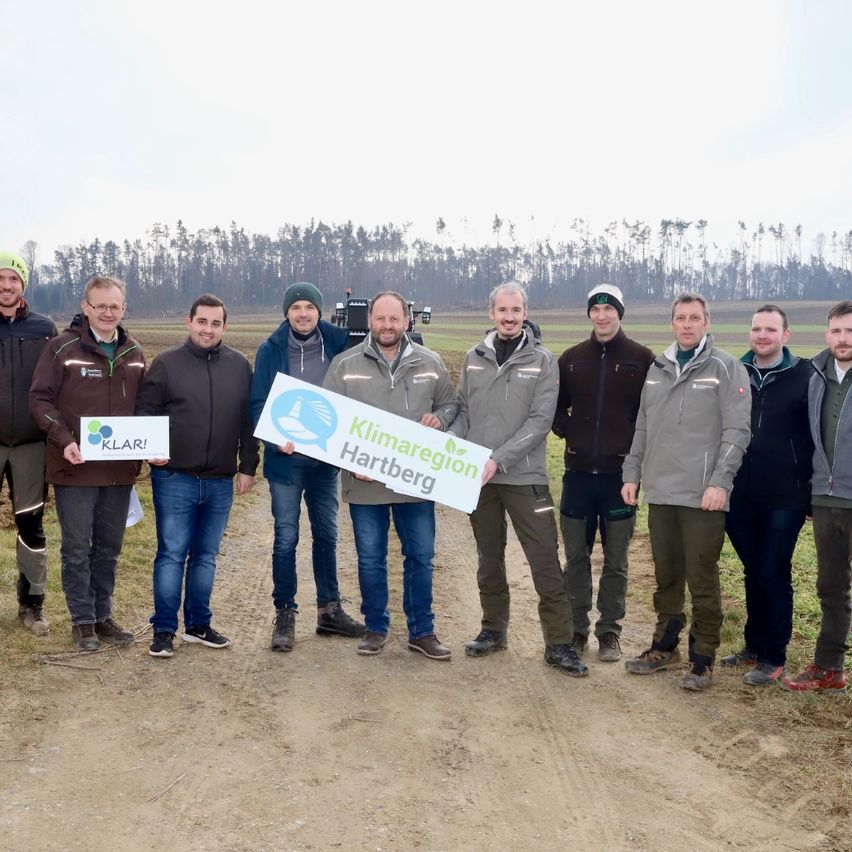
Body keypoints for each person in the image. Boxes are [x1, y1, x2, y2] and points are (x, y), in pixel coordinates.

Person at [451, 282, 587, 677]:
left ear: (525, 313)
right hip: (479, 479)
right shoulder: (473, 358)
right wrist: (452, 441)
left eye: (516, 310)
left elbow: (540, 421)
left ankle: (559, 643)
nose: (509, 317)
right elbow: (462, 409)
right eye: (502, 310)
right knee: (488, 557)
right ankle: (493, 629)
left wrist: (499, 459)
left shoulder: (543, 361)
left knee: (544, 559)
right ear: (490, 313)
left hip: (525, 477)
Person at [621, 292, 750, 691]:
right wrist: (632, 473)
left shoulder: (726, 368)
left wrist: (720, 482)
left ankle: (703, 658)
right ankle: (664, 645)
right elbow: (643, 426)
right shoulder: (658, 368)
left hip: (702, 496)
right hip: (661, 492)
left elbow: (737, 431)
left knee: (702, 577)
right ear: (672, 323)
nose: (688, 324)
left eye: (695, 318)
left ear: (707, 322)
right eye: (681, 318)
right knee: (667, 576)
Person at [323, 291, 457, 660]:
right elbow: (327, 420)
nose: (387, 325)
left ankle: (422, 631)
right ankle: (376, 627)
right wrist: (348, 460)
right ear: (369, 321)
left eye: (394, 319)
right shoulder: (345, 364)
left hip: (415, 483)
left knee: (420, 557)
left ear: (407, 321)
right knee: (370, 558)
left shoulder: (430, 362)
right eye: (380, 318)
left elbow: (451, 404)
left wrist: (440, 419)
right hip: (365, 485)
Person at [135, 294, 259, 658]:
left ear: (224, 326)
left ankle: (199, 624)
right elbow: (145, 411)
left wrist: (247, 466)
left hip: (220, 480)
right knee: (172, 554)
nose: (208, 329)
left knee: (206, 556)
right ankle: (163, 630)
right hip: (175, 478)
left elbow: (246, 421)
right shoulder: (167, 364)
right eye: (202, 322)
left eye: (215, 323)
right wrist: (148, 448)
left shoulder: (239, 366)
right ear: (189, 322)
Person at [30, 276, 145, 651]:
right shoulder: (61, 349)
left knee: (109, 548)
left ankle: (101, 615)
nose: (108, 312)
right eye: (101, 306)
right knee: (77, 548)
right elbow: (40, 401)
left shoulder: (135, 353)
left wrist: (152, 446)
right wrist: (64, 440)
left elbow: (146, 410)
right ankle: (81, 622)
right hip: (75, 469)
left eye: (115, 306)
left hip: (118, 472)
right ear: (86, 307)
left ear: (124, 308)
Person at [249, 281, 363, 652]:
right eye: (295, 307)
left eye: (308, 307)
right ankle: (285, 613)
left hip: (325, 462)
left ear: (319, 311)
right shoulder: (271, 349)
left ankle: (329, 611)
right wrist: (271, 439)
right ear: (286, 312)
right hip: (286, 462)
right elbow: (258, 403)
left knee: (327, 535)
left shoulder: (339, 343)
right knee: (286, 538)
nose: (302, 314)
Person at [552, 284, 654, 662]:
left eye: (609, 309)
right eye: (595, 309)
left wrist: (634, 458)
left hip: (619, 479)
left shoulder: (642, 358)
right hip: (577, 475)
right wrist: (568, 429)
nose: (602, 315)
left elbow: (649, 414)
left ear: (620, 313)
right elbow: (555, 406)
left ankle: (609, 632)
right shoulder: (573, 358)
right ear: (589, 314)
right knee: (575, 558)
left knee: (617, 560)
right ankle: (577, 630)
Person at [723, 305, 813, 686]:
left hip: (785, 494)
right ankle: (753, 645)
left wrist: (810, 490)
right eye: (757, 328)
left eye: (771, 329)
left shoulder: (806, 375)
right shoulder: (733, 372)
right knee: (752, 569)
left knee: (774, 571)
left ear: (785, 335)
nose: (762, 335)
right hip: (739, 492)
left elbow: (815, 435)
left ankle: (774, 656)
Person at [782, 301, 852, 694]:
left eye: (851, 331)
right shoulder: (814, 375)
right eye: (838, 331)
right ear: (827, 334)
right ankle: (830, 669)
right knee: (831, 587)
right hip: (826, 500)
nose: (844, 339)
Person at [0, 252, 57, 635]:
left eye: (13, 279)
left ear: (23, 285)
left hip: (32, 443)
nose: (6, 286)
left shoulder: (44, 328)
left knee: (30, 524)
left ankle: (32, 604)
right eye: (0, 279)